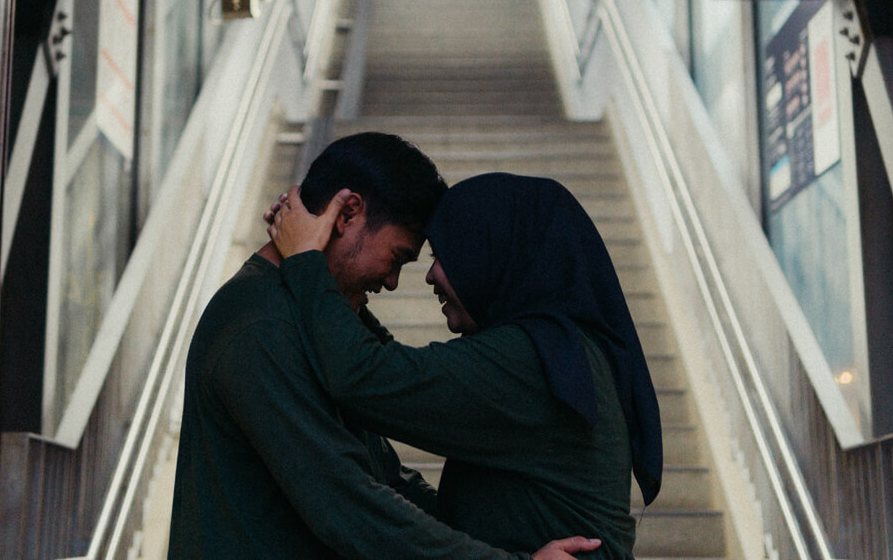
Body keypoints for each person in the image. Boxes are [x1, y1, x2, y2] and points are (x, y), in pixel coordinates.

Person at [168, 133, 601, 560]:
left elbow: (383, 479)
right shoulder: (260, 326)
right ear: (348, 214)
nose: (392, 282)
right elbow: (350, 507)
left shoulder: (298, 315)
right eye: (396, 258)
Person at [267, 172, 663, 560]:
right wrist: (343, 291)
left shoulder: (530, 360)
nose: (429, 276)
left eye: (443, 256)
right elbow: (390, 368)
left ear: (491, 254)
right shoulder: (558, 351)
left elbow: (366, 376)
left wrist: (307, 260)